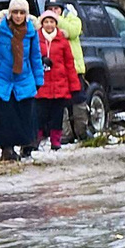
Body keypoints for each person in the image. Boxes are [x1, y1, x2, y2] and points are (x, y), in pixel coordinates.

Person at [0, 0, 47, 161]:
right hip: (0, 78)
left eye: (22, 12)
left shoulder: (31, 32)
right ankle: (7, 149)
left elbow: (35, 56)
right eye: (15, 12)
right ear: (9, 13)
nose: (18, 16)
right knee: (4, 116)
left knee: (24, 114)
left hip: (24, 78)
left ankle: (26, 145)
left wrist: (38, 79)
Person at [36, 9, 82, 150]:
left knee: (57, 114)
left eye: (52, 22)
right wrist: (41, 60)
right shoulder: (36, 39)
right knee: (40, 115)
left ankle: (56, 141)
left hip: (59, 84)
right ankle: (36, 140)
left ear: (56, 24)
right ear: (42, 24)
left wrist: (74, 86)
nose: (49, 25)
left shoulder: (62, 41)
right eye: (46, 22)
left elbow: (69, 63)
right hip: (42, 85)